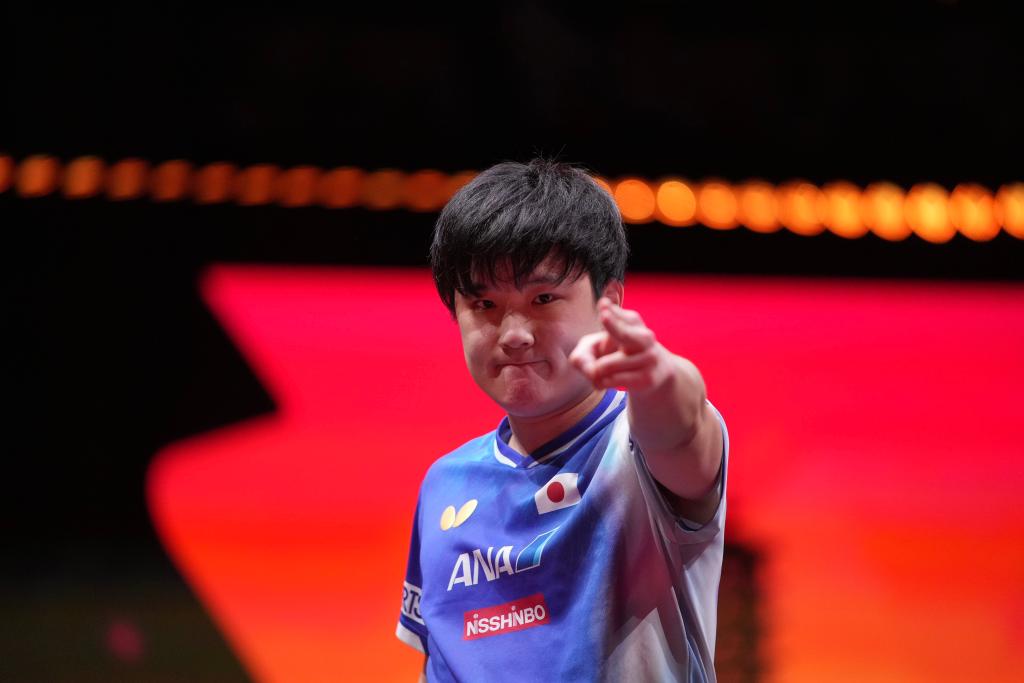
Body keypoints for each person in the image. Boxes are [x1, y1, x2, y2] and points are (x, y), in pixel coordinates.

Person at [396, 158, 729, 682]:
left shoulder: (638, 447)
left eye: (543, 298)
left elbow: (681, 427)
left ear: (608, 301)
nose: (513, 334)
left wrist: (660, 374)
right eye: (483, 304)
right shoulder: (444, 483)